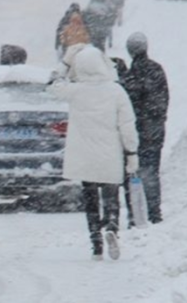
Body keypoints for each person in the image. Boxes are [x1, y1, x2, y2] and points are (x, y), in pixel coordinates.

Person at [50, 46, 139, 259]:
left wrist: (65, 63)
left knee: (90, 197)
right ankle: (111, 226)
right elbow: (127, 125)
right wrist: (132, 152)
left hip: (84, 156)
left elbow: (51, 85)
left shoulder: (75, 91)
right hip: (110, 155)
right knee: (111, 195)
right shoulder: (116, 91)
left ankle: (96, 243)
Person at [116, 33, 169, 225]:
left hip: (137, 133)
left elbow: (131, 100)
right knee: (151, 172)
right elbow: (160, 103)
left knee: (132, 172)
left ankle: (135, 215)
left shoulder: (132, 74)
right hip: (155, 133)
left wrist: (123, 77)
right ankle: (154, 213)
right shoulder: (156, 70)